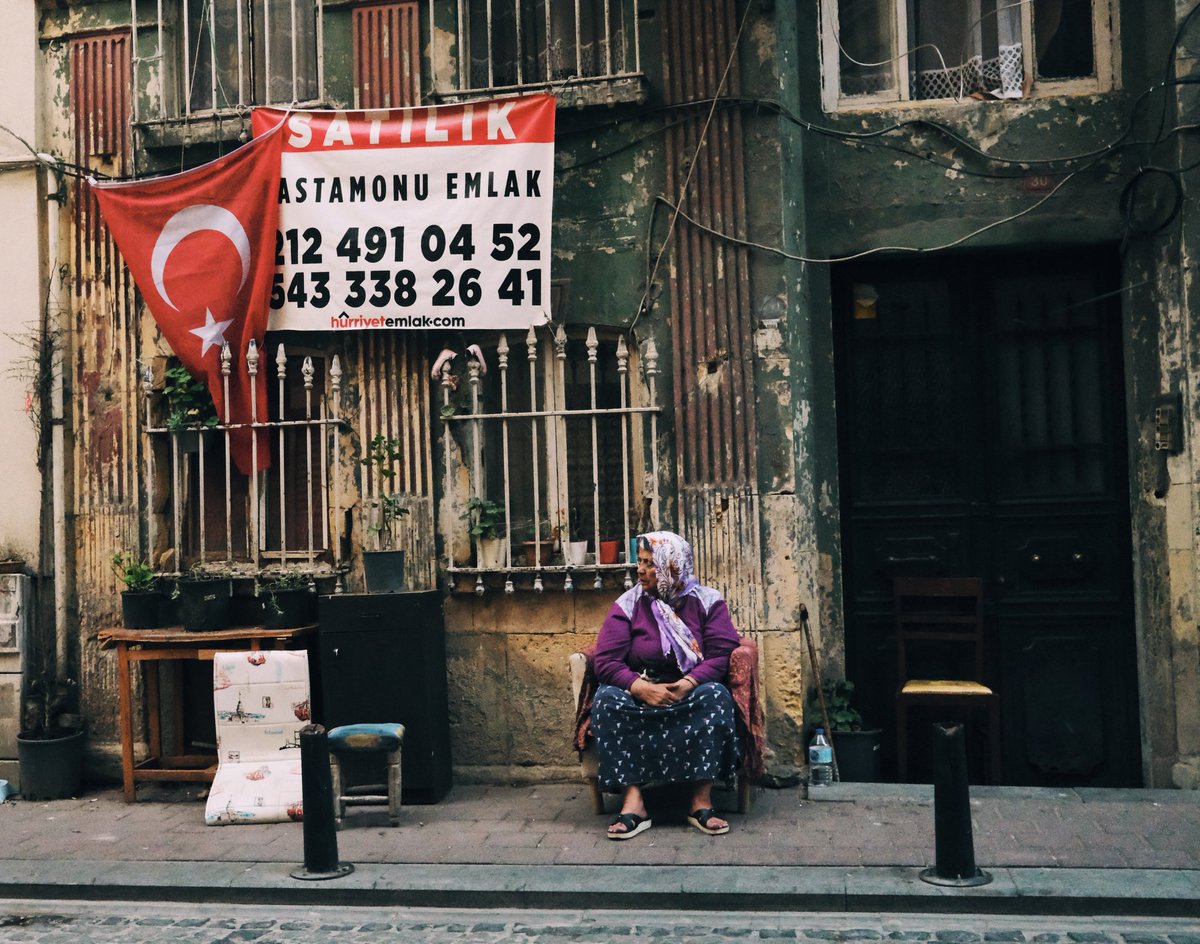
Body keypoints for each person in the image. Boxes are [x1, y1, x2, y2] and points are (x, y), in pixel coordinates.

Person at [590, 530, 741, 840]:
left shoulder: (707, 602)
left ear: (672, 566)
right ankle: (634, 804)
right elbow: (604, 660)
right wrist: (638, 688)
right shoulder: (628, 604)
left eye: (650, 564)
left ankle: (700, 801)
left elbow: (723, 654)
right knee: (606, 699)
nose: (640, 570)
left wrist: (688, 683)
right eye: (640, 562)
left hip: (689, 691)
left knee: (716, 696)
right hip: (642, 691)